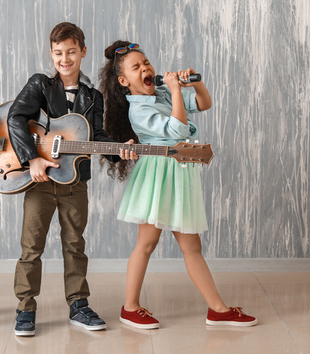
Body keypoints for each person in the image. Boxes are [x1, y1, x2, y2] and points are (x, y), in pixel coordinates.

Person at [98, 41, 258, 329]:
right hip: (158, 174)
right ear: (124, 82)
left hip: (179, 173)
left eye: (146, 62)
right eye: (136, 67)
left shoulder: (159, 92)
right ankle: (130, 307)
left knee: (192, 246)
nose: (145, 68)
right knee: (146, 244)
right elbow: (177, 130)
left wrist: (195, 85)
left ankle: (218, 310)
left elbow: (203, 104)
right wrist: (175, 90)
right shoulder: (138, 110)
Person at [7, 22, 135, 336]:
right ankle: (25, 308)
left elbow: (99, 137)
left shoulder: (93, 96)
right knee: (31, 247)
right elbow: (15, 117)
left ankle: (79, 304)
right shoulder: (40, 84)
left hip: (75, 182)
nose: (65, 59)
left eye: (71, 52)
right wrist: (31, 157)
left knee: (75, 244)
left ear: (83, 52)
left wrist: (120, 151)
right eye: (58, 53)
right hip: (40, 181)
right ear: (51, 54)